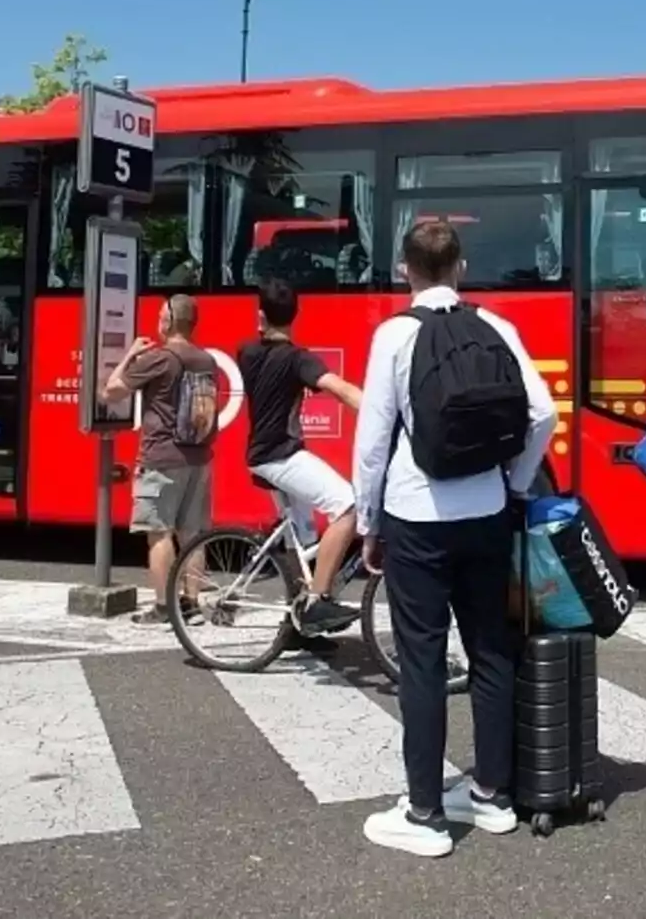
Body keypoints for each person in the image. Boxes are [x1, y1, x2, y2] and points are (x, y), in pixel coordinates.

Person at [354, 219, 557, 859]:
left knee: (422, 660)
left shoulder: (393, 336)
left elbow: (371, 444)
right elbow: (543, 412)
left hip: (416, 516)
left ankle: (426, 814)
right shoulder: (497, 327)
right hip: (489, 511)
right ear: (461, 267)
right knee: (491, 652)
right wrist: (516, 485)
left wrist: (368, 524)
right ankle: (494, 796)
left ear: (405, 269)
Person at [237, 278, 364, 636]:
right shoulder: (297, 359)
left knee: (304, 541)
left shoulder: (245, 352)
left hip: (265, 455)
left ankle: (296, 627)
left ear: (260, 317)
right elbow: (339, 389)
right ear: (295, 315)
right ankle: (316, 601)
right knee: (347, 506)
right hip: (281, 457)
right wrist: (383, 415)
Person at [100, 294, 217, 626]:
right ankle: (191, 604)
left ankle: (165, 607)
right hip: (199, 457)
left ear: (168, 321)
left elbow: (111, 392)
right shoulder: (206, 360)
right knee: (193, 533)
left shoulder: (159, 359)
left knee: (159, 532)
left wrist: (130, 356)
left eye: (160, 317)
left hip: (162, 458)